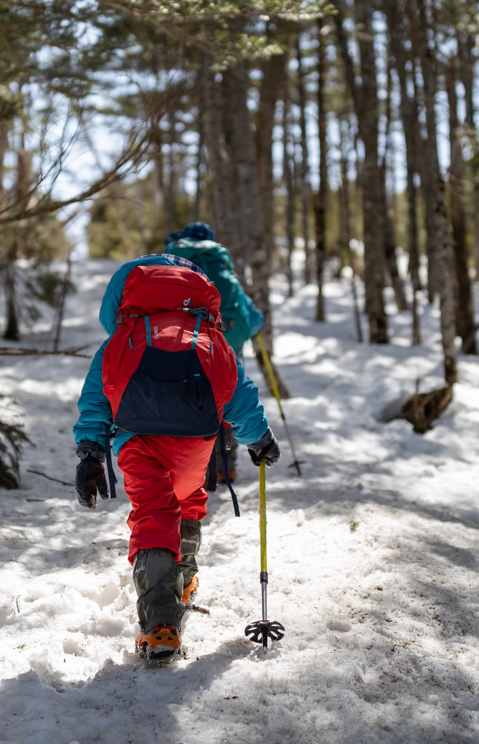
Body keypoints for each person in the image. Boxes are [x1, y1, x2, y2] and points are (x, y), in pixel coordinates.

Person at [73, 253, 281, 662]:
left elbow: (97, 398)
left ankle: (161, 627)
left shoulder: (121, 338)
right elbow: (239, 392)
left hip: (137, 441)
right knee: (187, 501)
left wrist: (91, 453)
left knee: (154, 514)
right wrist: (258, 439)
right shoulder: (210, 336)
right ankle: (182, 581)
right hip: (195, 442)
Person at [162, 223, 265, 486]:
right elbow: (253, 318)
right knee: (228, 396)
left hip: (186, 342)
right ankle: (225, 466)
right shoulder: (223, 266)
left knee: (189, 398)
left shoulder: (174, 263)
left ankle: (192, 469)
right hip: (228, 341)